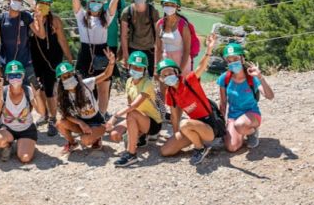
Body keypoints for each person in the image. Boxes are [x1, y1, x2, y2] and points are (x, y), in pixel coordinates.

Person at [54, 0, 126, 117]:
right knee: (83, 86)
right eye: (92, 1)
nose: (95, 4)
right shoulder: (81, 17)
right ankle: (87, 114)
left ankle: (101, 116)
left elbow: (114, 2)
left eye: (98, 2)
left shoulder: (106, 18)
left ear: (102, 3)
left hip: (103, 51)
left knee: (104, 87)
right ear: (88, 2)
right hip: (85, 52)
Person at [159, 33, 223, 165]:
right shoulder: (170, 92)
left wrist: (209, 50)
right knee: (166, 151)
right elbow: (175, 116)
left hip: (210, 126)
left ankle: (200, 148)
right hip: (192, 126)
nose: (168, 76)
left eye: (170, 72)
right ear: (162, 79)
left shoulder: (189, 81)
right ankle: (196, 140)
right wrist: (176, 134)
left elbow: (201, 67)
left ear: (176, 72)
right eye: (164, 75)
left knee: (185, 124)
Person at [106, 51, 163, 167]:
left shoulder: (147, 83)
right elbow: (129, 105)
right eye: (134, 67)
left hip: (153, 122)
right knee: (115, 134)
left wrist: (114, 117)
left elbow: (133, 106)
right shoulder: (128, 82)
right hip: (139, 117)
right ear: (129, 66)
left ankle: (131, 154)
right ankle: (139, 136)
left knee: (132, 114)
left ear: (144, 70)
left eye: (140, 68)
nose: (137, 70)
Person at [29, 0, 73, 137]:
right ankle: (45, 114)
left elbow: (62, 39)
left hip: (52, 59)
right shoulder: (30, 20)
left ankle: (53, 119)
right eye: (41, 3)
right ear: (35, 4)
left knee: (49, 90)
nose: (43, 6)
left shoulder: (55, 20)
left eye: (47, 3)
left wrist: (69, 58)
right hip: (35, 59)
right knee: (38, 89)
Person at [53, 53, 115, 154]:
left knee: (85, 141)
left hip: (96, 121)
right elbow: (66, 114)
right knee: (60, 123)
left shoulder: (86, 84)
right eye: (64, 77)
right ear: (60, 80)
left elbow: (105, 75)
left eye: (69, 75)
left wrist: (111, 63)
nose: (68, 78)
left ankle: (97, 137)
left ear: (74, 74)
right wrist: (81, 123)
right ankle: (72, 143)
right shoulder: (62, 94)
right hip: (81, 122)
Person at [217, 42, 274, 152]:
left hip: (252, 114)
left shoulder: (252, 77)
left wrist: (260, 77)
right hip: (233, 116)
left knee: (240, 124)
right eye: (229, 60)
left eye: (236, 58)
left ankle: (252, 132)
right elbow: (223, 103)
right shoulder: (224, 78)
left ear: (242, 59)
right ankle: (241, 131)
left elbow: (270, 96)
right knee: (231, 147)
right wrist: (221, 125)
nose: (233, 62)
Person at [0, 61, 47, 163]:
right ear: (7, 77)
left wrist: (37, 95)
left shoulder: (28, 90)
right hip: (8, 128)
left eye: (18, 75)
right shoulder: (2, 91)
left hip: (26, 129)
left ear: (23, 76)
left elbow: (42, 112)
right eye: (11, 76)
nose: (15, 78)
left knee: (25, 158)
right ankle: (8, 145)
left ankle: (24, 144)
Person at [0, 0, 45, 88]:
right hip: (6, 65)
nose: (17, 1)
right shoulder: (0, 19)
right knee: (7, 94)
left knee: (33, 93)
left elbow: (41, 35)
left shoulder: (26, 17)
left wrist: (39, 20)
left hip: (26, 64)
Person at [119, 0, 159, 77]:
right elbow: (123, 36)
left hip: (150, 50)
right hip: (133, 49)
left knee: (150, 78)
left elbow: (158, 34)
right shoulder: (127, 12)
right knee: (133, 78)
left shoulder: (152, 11)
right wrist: (125, 55)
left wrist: (158, 56)